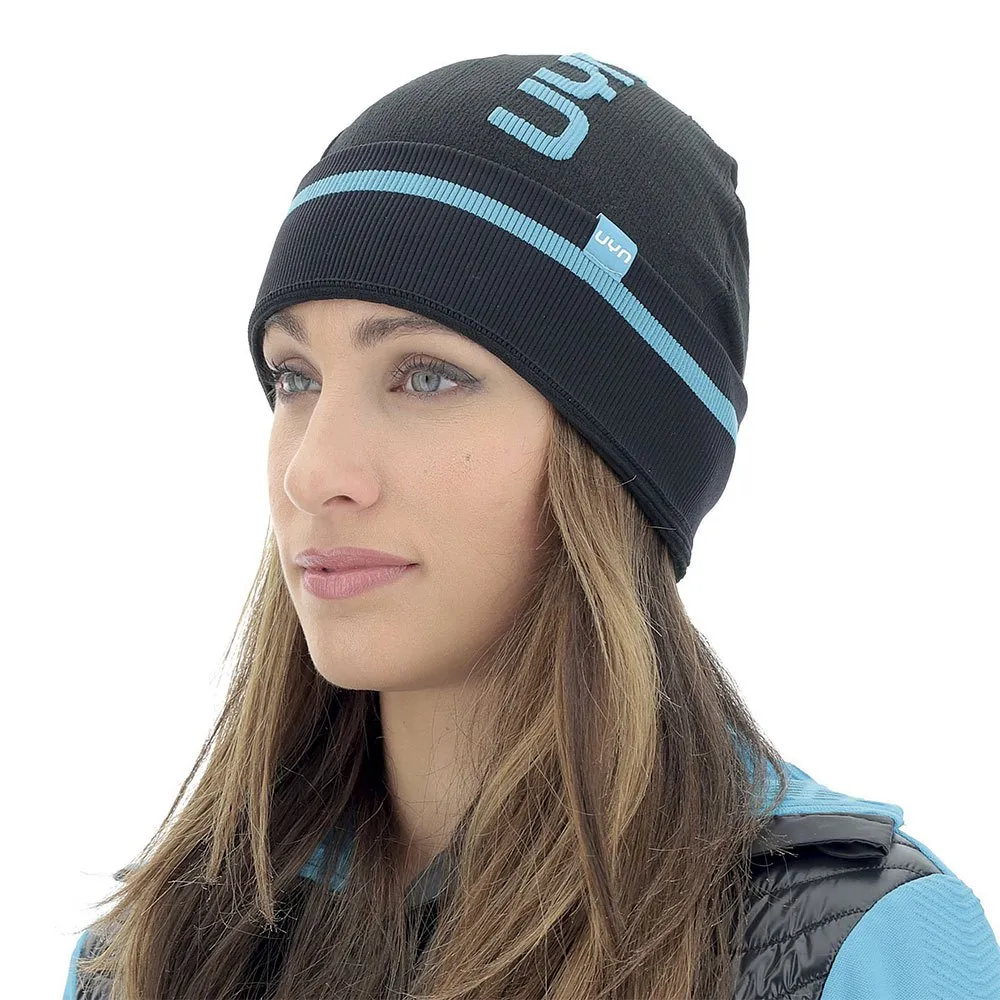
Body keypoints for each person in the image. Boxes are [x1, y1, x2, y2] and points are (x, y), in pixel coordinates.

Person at [63, 51, 1000, 1000]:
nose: (313, 473)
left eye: (426, 376)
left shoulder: (848, 947)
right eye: (294, 378)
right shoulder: (152, 953)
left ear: (615, 455)